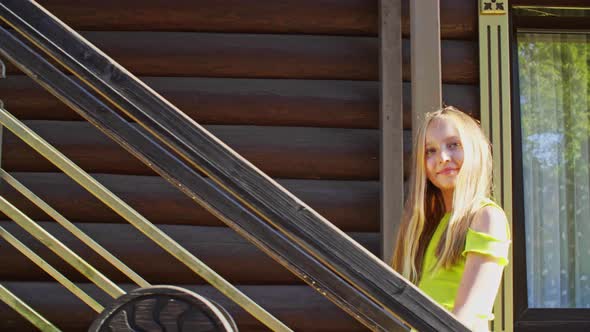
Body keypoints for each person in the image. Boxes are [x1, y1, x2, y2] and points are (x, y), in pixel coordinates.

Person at [392, 106, 510, 331]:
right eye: (430, 151)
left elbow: (468, 315)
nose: (443, 158)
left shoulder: (486, 217)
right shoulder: (429, 226)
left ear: (474, 150)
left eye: (453, 145)